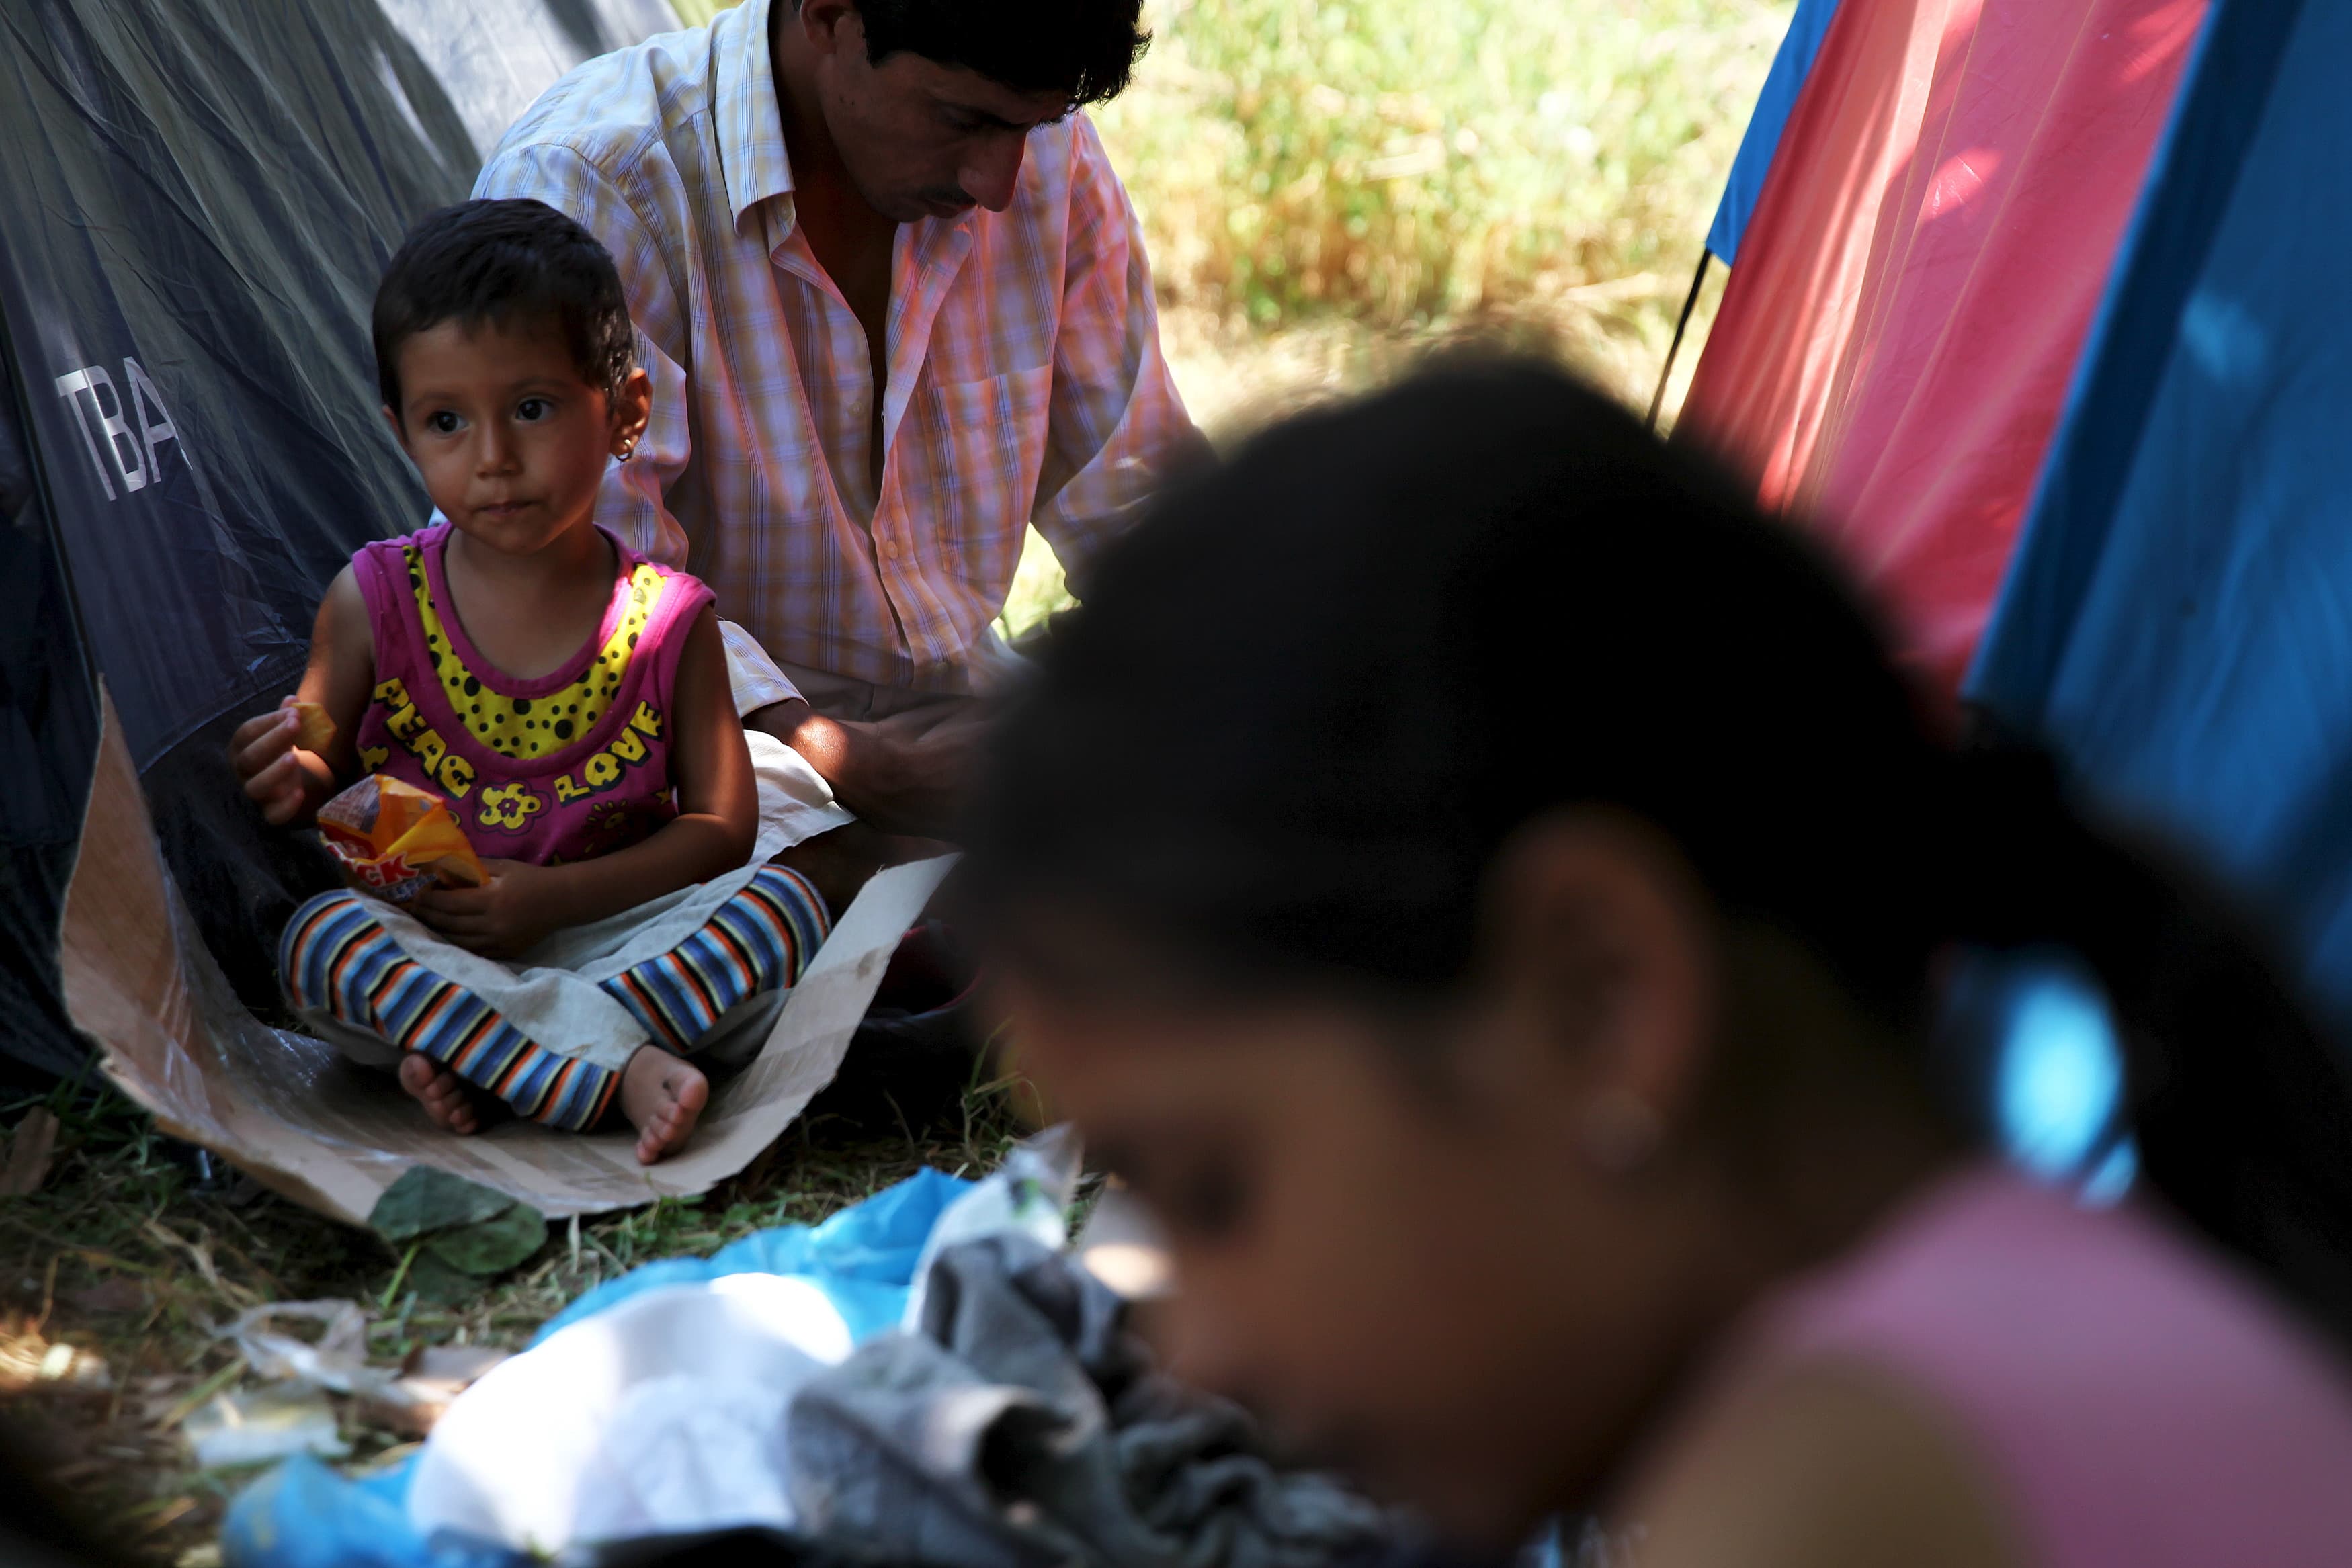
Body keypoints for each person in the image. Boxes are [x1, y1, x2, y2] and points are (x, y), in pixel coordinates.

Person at [965, 359, 2352, 1565]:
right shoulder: (2027, 1328)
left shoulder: (1852, 1480)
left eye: (1213, 1191)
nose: (1195, 1357)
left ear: (1600, 996)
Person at [473, 0, 1204, 838]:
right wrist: (842, 760)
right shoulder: (595, 184)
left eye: (1033, 129)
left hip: (963, 730)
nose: (997, 186)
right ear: (828, 16)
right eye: (961, 120)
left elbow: (1144, 498)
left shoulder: (1046, 156)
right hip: (691, 751)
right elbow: (575, 597)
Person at [230, 200, 831, 1165]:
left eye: (534, 408)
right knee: (324, 940)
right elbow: (319, 768)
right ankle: (615, 1063)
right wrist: (290, 768)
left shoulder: (673, 622)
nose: (494, 457)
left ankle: (507, 1057)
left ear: (626, 411)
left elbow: (724, 832)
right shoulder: (370, 598)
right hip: (440, 951)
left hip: (619, 933)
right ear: (402, 432)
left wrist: (553, 902)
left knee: (785, 910)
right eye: (447, 422)